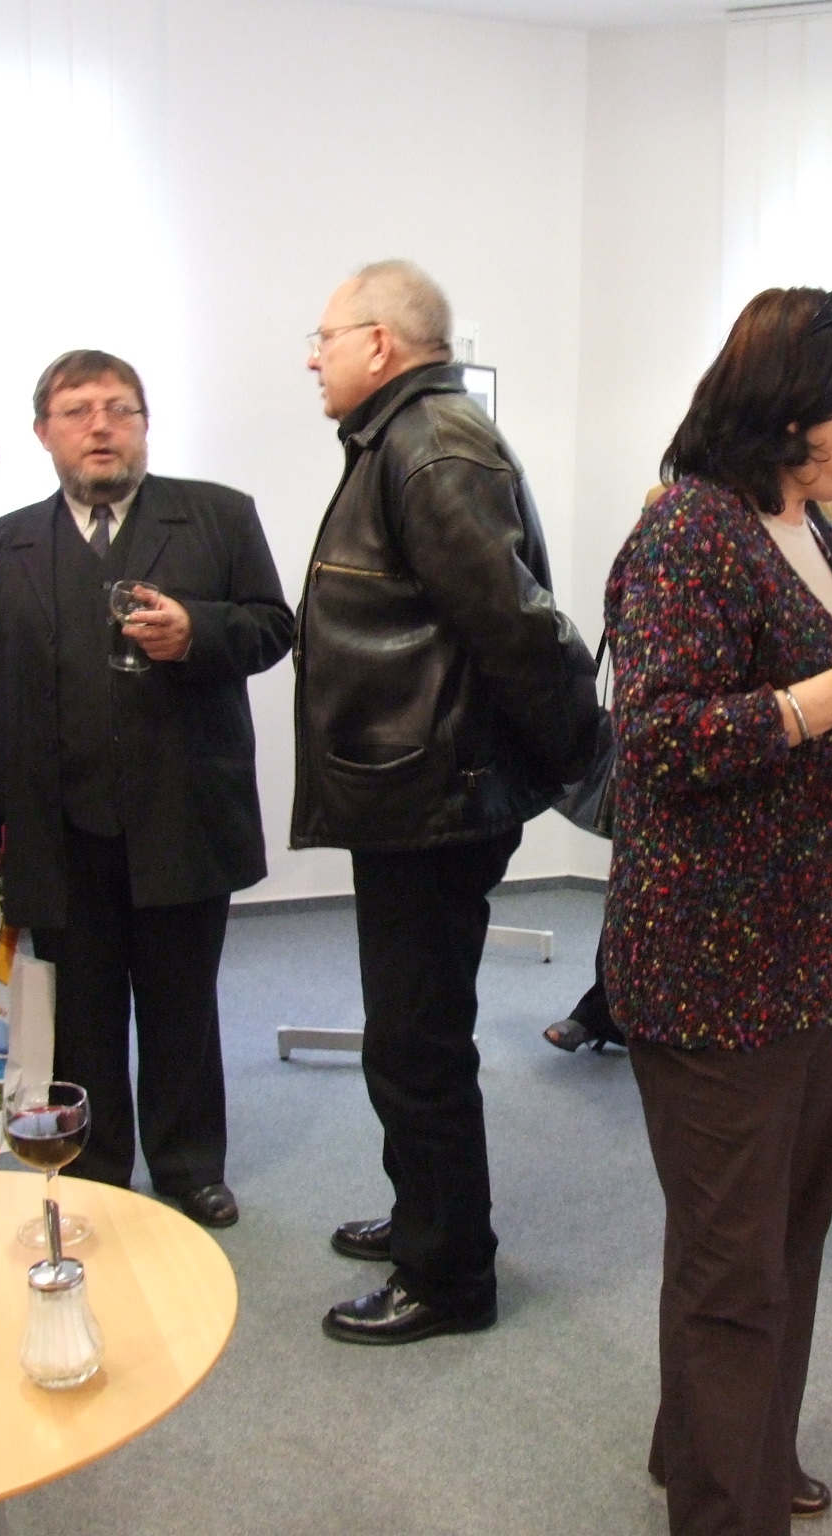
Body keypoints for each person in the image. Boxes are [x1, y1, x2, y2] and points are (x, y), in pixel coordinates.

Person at [607, 286, 832, 1534]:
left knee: (773, 1245)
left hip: (808, 956)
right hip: (719, 963)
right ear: (792, 407)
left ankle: (717, 1447)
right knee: (736, 1269)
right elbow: (656, 738)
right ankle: (725, 1501)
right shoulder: (690, 529)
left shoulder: (807, 529)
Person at [297, 259, 600, 1344]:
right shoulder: (409, 436)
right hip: (413, 793)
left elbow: (517, 628)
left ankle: (448, 1276)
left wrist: (576, 758)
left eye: (325, 337)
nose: (313, 358)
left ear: (380, 343)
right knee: (408, 1036)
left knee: (417, 1044)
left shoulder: (428, 445)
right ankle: (425, 1216)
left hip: (431, 798)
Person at [0, 350, 292, 1228]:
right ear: (44, 433)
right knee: (83, 1013)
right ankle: (98, 1165)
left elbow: (271, 628)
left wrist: (198, 631)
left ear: (145, 425)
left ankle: (188, 1165)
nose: (100, 426)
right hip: (57, 826)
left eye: (119, 409)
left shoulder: (217, 516)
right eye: (77, 411)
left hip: (184, 814)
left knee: (183, 1006)